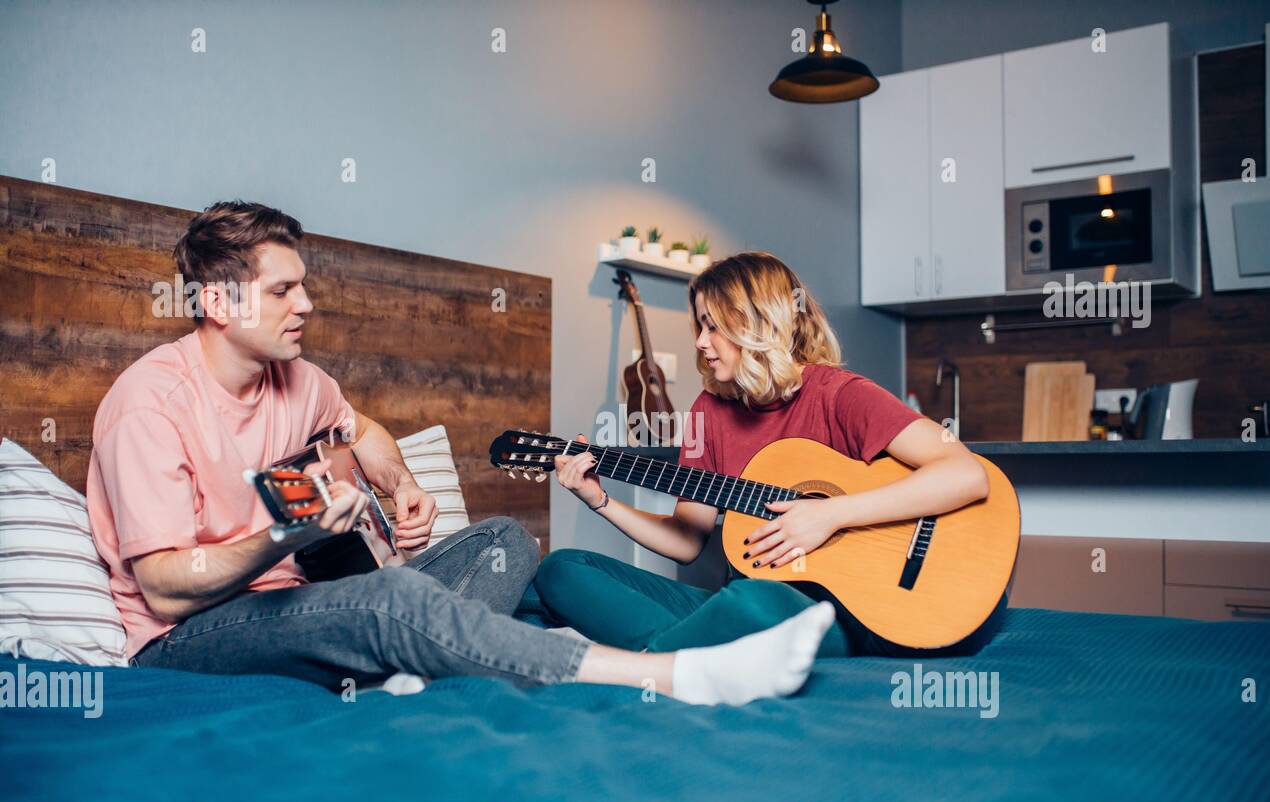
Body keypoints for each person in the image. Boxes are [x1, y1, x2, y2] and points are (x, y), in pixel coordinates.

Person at [85, 203, 835, 707]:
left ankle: (410, 667)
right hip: (190, 639)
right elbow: (165, 591)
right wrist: (289, 535)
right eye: (284, 291)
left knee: (509, 543)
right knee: (389, 598)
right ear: (218, 304)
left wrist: (401, 486)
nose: (306, 305)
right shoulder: (149, 403)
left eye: (304, 287)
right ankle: (667, 675)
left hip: (305, 604)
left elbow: (365, 433)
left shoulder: (299, 381)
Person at [534, 251, 1004, 658]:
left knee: (754, 603)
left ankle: (656, 659)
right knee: (561, 569)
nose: (699, 341)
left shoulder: (838, 395)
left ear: (758, 324)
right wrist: (600, 500)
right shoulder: (708, 411)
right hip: (742, 597)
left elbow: (966, 474)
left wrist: (831, 515)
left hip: (832, 608)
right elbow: (687, 538)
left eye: (713, 326)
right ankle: (682, 653)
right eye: (700, 325)